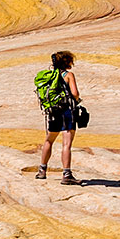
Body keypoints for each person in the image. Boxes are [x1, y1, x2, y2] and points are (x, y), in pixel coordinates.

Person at [34, 51, 83, 183]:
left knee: (49, 140)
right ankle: (67, 175)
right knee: (66, 144)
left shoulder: (49, 76)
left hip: (52, 112)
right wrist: (76, 101)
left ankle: (41, 171)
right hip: (67, 112)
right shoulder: (68, 75)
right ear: (67, 62)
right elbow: (75, 93)